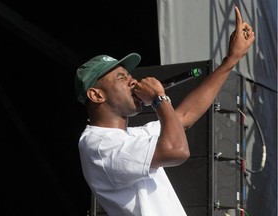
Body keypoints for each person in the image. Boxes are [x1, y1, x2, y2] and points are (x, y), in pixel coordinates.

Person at [74, 6, 254, 216]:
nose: (133, 80)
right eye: (121, 78)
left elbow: (183, 117)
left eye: (130, 75)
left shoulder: (128, 137)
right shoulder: (99, 146)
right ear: (96, 96)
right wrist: (159, 100)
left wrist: (230, 60)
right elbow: (177, 150)